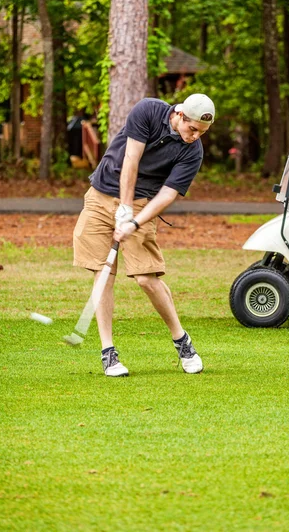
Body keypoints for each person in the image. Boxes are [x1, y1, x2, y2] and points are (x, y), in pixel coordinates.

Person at [73, 93, 215, 377]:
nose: (195, 136)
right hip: (102, 194)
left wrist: (134, 221)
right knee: (104, 272)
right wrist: (122, 208)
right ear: (180, 116)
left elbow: (167, 194)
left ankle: (182, 341)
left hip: (143, 204)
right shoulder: (148, 111)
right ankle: (108, 353)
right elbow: (131, 160)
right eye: (192, 129)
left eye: (202, 132)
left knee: (146, 278)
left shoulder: (193, 151)